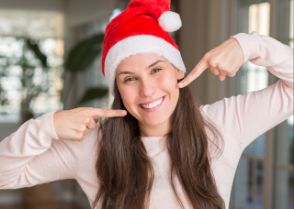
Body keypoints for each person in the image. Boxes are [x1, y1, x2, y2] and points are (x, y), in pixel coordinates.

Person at [0, 0, 293, 208]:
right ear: (119, 89)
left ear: (178, 70)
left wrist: (248, 45)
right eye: (129, 79)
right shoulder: (92, 146)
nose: (147, 90)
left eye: (156, 70)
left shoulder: (223, 123)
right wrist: (46, 127)